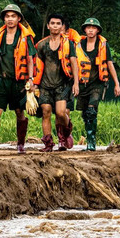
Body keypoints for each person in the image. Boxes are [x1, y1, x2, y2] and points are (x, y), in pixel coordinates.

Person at [0, 4, 36, 153]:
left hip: (19, 82)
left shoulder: (25, 37)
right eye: (7, 16)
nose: (10, 19)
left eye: (13, 16)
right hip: (1, 80)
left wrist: (30, 79)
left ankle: (20, 143)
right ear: (4, 18)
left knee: (19, 112)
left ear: (18, 19)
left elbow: (30, 59)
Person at [32, 14, 82, 151]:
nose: (55, 26)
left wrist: (76, 83)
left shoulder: (68, 44)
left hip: (62, 84)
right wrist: (34, 84)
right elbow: (37, 65)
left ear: (62, 27)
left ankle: (66, 131)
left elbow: (73, 63)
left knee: (61, 113)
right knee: (46, 112)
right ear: (48, 26)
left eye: (58, 23)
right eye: (52, 23)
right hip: (45, 85)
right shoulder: (41, 45)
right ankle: (48, 143)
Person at [75, 18, 120, 151]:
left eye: (93, 27)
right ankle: (90, 138)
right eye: (88, 27)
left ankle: (91, 142)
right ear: (84, 29)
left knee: (91, 111)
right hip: (83, 83)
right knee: (85, 114)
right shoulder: (78, 44)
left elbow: (109, 64)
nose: (90, 30)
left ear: (97, 30)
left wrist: (117, 84)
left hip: (97, 84)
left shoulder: (103, 45)